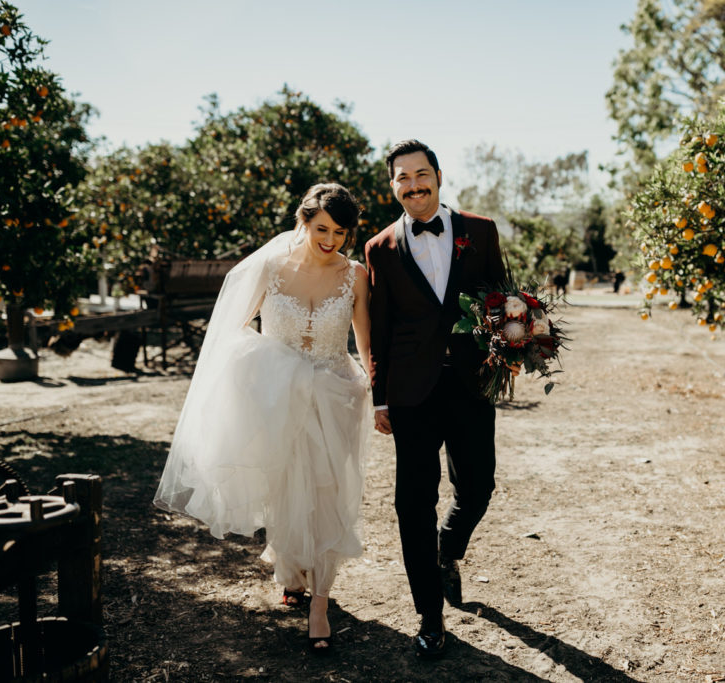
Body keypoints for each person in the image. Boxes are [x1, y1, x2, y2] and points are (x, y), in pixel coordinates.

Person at [154, 183, 372, 655]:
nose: (330, 240)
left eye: (339, 232)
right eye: (321, 229)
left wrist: (375, 390)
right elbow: (229, 328)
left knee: (328, 494)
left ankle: (320, 605)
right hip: (278, 396)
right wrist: (257, 367)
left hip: (335, 397)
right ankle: (292, 568)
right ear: (304, 220)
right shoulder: (270, 266)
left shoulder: (355, 275)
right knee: (286, 488)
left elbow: (364, 341)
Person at [364, 140, 506, 659]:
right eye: (403, 178)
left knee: (479, 485)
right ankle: (429, 615)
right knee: (412, 503)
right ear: (393, 186)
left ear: (439, 177)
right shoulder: (380, 248)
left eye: (421, 174)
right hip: (411, 392)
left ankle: (449, 552)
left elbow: (501, 300)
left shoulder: (481, 231)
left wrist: (512, 351)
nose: (414, 185)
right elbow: (378, 330)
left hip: (470, 384)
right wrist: (380, 398)